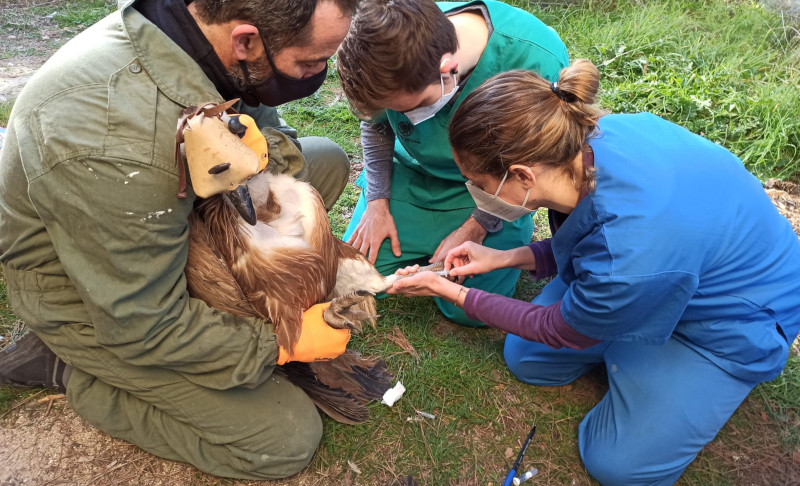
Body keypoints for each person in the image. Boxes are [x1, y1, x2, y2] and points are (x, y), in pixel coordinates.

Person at [388, 60, 800, 485]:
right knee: (526, 358)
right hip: (658, 268)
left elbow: (564, 326)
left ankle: (671, 360)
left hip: (731, 320)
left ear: (523, 175)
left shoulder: (629, 253)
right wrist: (502, 257)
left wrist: (451, 292)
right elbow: (589, 240)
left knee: (616, 465)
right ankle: (624, 328)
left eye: (476, 182)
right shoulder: (581, 140)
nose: (474, 193)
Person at [0, 0, 358, 479]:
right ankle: (72, 368)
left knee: (325, 163)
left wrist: (260, 151)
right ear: (246, 41)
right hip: (87, 287)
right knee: (282, 440)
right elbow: (146, 322)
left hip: (155, 218)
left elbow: (273, 137)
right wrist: (279, 344)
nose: (319, 72)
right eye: (311, 62)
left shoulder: (213, 41)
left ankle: (211, 294)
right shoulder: (112, 143)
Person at [336, 0, 569, 326]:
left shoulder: (534, 59)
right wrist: (377, 201)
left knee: (471, 310)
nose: (404, 118)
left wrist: (477, 224)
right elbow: (375, 124)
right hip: (413, 176)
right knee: (352, 279)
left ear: (447, 71)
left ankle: (495, 235)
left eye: (410, 107)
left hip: (494, 189)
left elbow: (532, 171)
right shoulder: (386, 45)